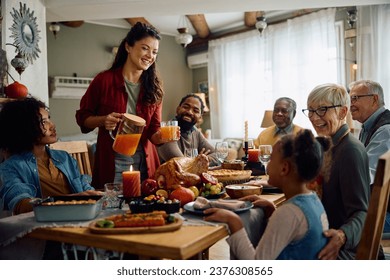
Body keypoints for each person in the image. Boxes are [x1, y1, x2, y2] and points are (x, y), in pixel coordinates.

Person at [204, 129, 330, 259]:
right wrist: (273, 211)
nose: (267, 165)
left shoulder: (289, 213)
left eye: (270, 159)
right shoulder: (313, 200)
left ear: (284, 168)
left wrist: (234, 221)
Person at [76, 22, 171, 189]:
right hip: (113, 159)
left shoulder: (155, 88)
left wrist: (165, 137)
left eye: (154, 52)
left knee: (147, 208)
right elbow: (82, 118)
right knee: (114, 209)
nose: (150, 55)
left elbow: (153, 131)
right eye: (145, 48)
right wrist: (103, 120)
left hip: (146, 160)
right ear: (128, 47)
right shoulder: (104, 80)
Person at [302, 83, 370, 259]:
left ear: (342, 112)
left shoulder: (350, 151)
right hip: (323, 232)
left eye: (322, 109)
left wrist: (341, 236)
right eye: (310, 110)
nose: (314, 118)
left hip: (342, 247)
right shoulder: (327, 144)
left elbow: (361, 213)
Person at [0, 97, 100, 215]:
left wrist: (103, 194)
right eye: (43, 122)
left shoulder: (64, 158)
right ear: (24, 127)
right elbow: (20, 204)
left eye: (49, 119)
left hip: (79, 216)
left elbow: (85, 189)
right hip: (44, 225)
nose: (52, 125)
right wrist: (71, 199)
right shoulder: (11, 167)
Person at [349, 80, 390, 234]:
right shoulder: (367, 127)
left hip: (386, 213)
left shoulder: (385, 130)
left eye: (355, 98)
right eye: (350, 99)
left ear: (374, 99)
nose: (351, 104)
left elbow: (366, 176)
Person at [157, 94, 220, 166]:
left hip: (192, 176)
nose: (189, 112)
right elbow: (181, 163)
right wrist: (197, 161)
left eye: (195, 111)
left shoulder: (195, 132)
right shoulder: (167, 129)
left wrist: (204, 159)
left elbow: (218, 156)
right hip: (168, 176)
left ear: (200, 117)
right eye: (185, 107)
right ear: (177, 109)